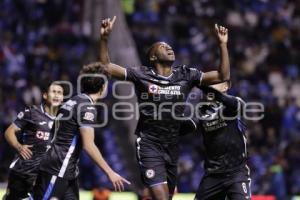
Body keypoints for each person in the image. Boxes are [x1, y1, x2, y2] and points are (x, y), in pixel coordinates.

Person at [99, 16, 229, 200]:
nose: (169, 47)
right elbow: (105, 67)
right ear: (153, 56)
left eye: (169, 46)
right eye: (162, 46)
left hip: (172, 145)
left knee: (167, 196)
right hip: (149, 143)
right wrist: (104, 39)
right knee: (160, 197)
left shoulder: (186, 74)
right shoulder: (141, 74)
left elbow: (223, 75)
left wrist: (222, 45)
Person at [32, 64, 130, 199]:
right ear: (102, 87)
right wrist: (110, 172)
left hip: (66, 169)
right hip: (58, 167)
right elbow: (88, 145)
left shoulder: (73, 100)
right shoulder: (87, 108)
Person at [190, 82, 251, 200]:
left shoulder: (236, 103)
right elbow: (186, 125)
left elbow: (225, 100)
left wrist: (202, 85)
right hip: (213, 175)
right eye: (208, 84)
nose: (210, 87)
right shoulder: (201, 110)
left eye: (215, 83)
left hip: (236, 173)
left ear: (226, 86)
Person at [4, 81, 64, 200]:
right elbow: (9, 132)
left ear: (62, 98)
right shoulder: (32, 112)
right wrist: (18, 146)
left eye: (60, 93)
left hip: (44, 175)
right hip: (23, 171)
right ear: (45, 95)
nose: (57, 95)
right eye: (54, 92)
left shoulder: (64, 120)